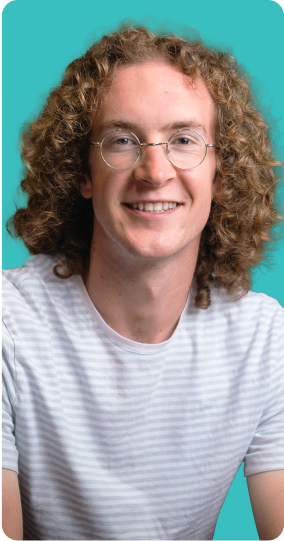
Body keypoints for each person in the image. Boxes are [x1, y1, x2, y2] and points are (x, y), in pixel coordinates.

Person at [1, 23, 283, 541]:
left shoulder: (264, 340)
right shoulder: (8, 324)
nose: (155, 171)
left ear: (221, 173)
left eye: (183, 140)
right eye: (123, 141)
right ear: (82, 173)